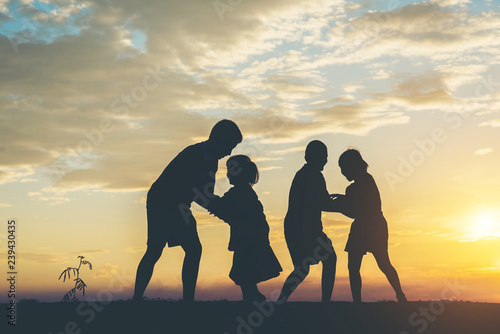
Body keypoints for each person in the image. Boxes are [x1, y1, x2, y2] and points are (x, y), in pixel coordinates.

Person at [133, 120, 243, 302]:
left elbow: (206, 195)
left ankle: (187, 301)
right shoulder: (194, 154)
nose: (230, 152)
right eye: (229, 146)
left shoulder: (211, 160)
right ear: (219, 140)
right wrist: (226, 212)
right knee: (155, 250)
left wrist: (222, 210)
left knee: (192, 249)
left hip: (180, 206)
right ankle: (138, 299)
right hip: (162, 202)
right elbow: (202, 197)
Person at [331, 149, 407, 303]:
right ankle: (399, 296)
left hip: (369, 226)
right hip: (373, 225)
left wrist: (339, 205)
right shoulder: (366, 180)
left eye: (344, 168)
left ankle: (361, 302)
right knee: (378, 264)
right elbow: (358, 203)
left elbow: (355, 210)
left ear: (353, 166)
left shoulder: (358, 185)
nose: (342, 173)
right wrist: (343, 199)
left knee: (370, 265)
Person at [208, 155, 282, 302]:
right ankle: (252, 296)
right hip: (251, 236)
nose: (228, 174)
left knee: (244, 271)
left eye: (230, 171)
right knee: (246, 272)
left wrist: (207, 200)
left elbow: (224, 208)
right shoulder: (244, 191)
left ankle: (252, 298)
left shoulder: (239, 192)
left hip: (248, 237)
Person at [278, 140, 338, 303]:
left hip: (295, 228)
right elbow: (324, 203)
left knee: (302, 269)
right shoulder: (314, 175)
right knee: (329, 259)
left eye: (326, 156)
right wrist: (347, 206)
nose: (326, 160)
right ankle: (325, 303)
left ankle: (281, 301)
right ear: (312, 157)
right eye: (323, 156)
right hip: (305, 229)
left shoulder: (304, 174)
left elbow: (323, 201)